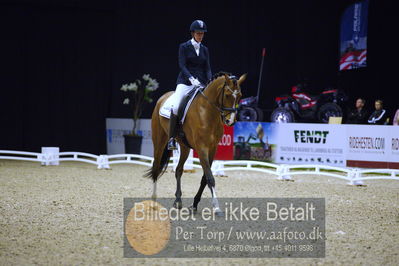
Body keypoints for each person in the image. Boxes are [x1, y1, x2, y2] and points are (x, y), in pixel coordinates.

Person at [167, 19, 212, 150]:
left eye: (202, 33)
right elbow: (182, 65)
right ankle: (172, 138)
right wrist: (191, 78)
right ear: (193, 33)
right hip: (185, 82)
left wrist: (209, 81)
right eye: (198, 33)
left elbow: (207, 68)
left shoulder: (205, 49)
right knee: (175, 107)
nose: (200, 36)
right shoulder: (184, 47)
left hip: (201, 83)